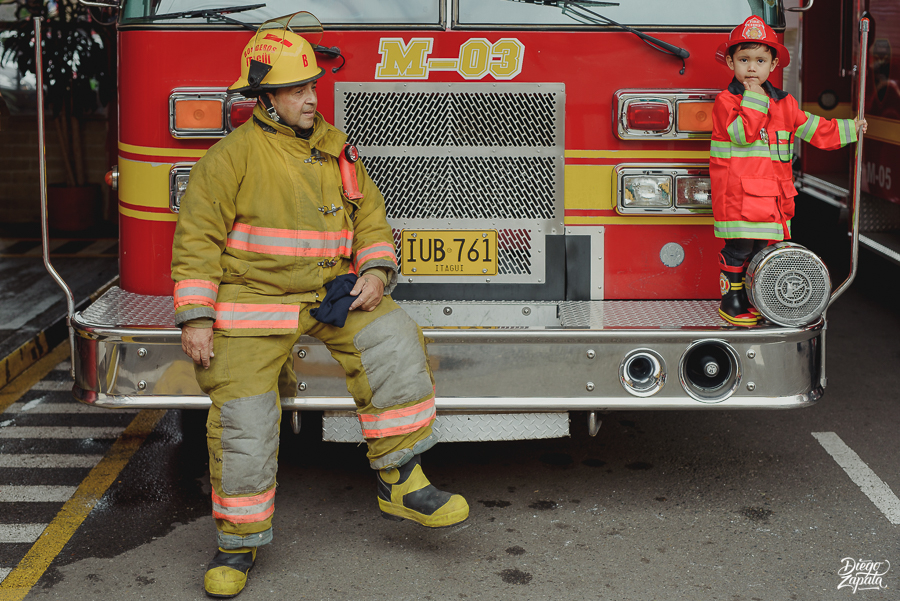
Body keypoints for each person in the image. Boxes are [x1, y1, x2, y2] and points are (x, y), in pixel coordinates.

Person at [171, 15, 469, 598]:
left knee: (396, 340)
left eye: (313, 86)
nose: (312, 98)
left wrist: (378, 272)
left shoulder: (338, 149)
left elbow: (371, 220)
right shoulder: (229, 158)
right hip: (251, 306)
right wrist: (199, 317)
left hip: (330, 295)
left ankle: (401, 480)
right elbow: (197, 241)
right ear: (266, 97)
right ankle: (237, 543)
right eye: (298, 89)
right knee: (244, 422)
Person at [710, 15, 867, 326]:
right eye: (744, 59)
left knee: (764, 254)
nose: (751, 68)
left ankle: (759, 301)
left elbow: (817, 130)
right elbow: (744, 134)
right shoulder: (727, 102)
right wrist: (754, 98)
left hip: (773, 201)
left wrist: (852, 129)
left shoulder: (785, 104)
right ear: (731, 63)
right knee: (739, 250)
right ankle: (732, 302)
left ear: (773, 65)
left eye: (760, 60)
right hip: (738, 200)